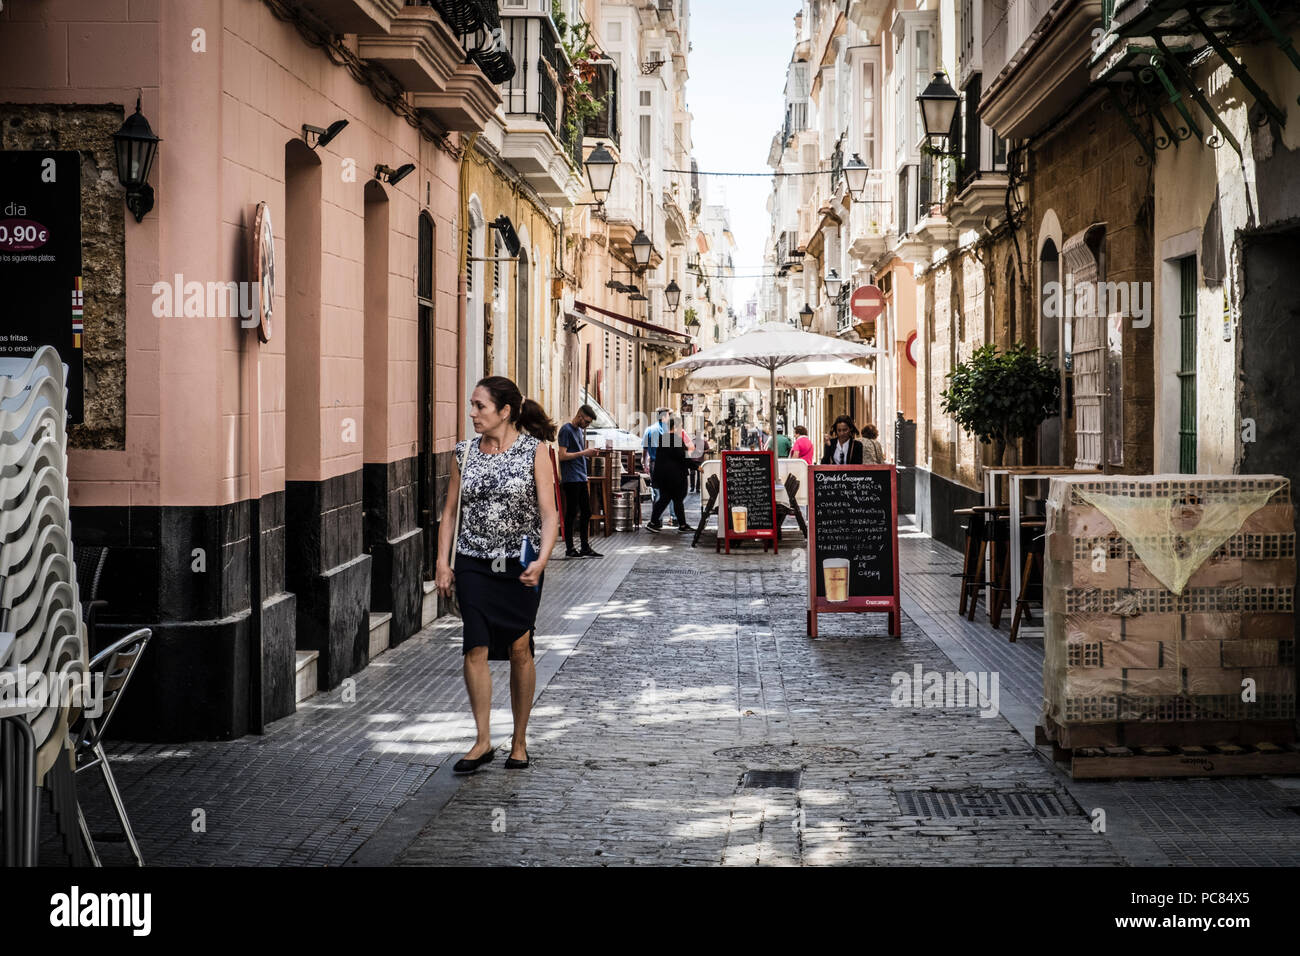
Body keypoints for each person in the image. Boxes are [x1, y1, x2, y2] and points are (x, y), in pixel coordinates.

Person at [436, 376, 559, 773]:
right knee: (475, 646)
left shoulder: (535, 452)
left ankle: (519, 740)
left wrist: (541, 560)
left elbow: (549, 513)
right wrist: (443, 561)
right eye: (471, 405)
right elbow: (450, 513)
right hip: (473, 563)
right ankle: (482, 740)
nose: (472, 413)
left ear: (504, 412)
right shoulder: (464, 453)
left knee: (520, 649)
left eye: (480, 406)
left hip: (519, 567)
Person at [556, 404, 603, 558]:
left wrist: (587, 455)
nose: (587, 426)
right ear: (580, 416)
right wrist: (584, 452)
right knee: (571, 513)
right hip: (570, 478)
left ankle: (584, 547)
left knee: (587, 512)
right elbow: (562, 456)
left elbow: (577, 453)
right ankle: (570, 548)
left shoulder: (578, 431)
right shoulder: (566, 430)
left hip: (580, 477)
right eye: (587, 422)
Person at [645, 411, 694, 533]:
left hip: (666, 476)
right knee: (669, 499)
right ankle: (654, 522)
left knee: (671, 499)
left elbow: (668, 456)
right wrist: (695, 466)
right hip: (674, 477)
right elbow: (680, 456)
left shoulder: (665, 438)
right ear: (676, 426)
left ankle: (680, 524)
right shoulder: (674, 439)